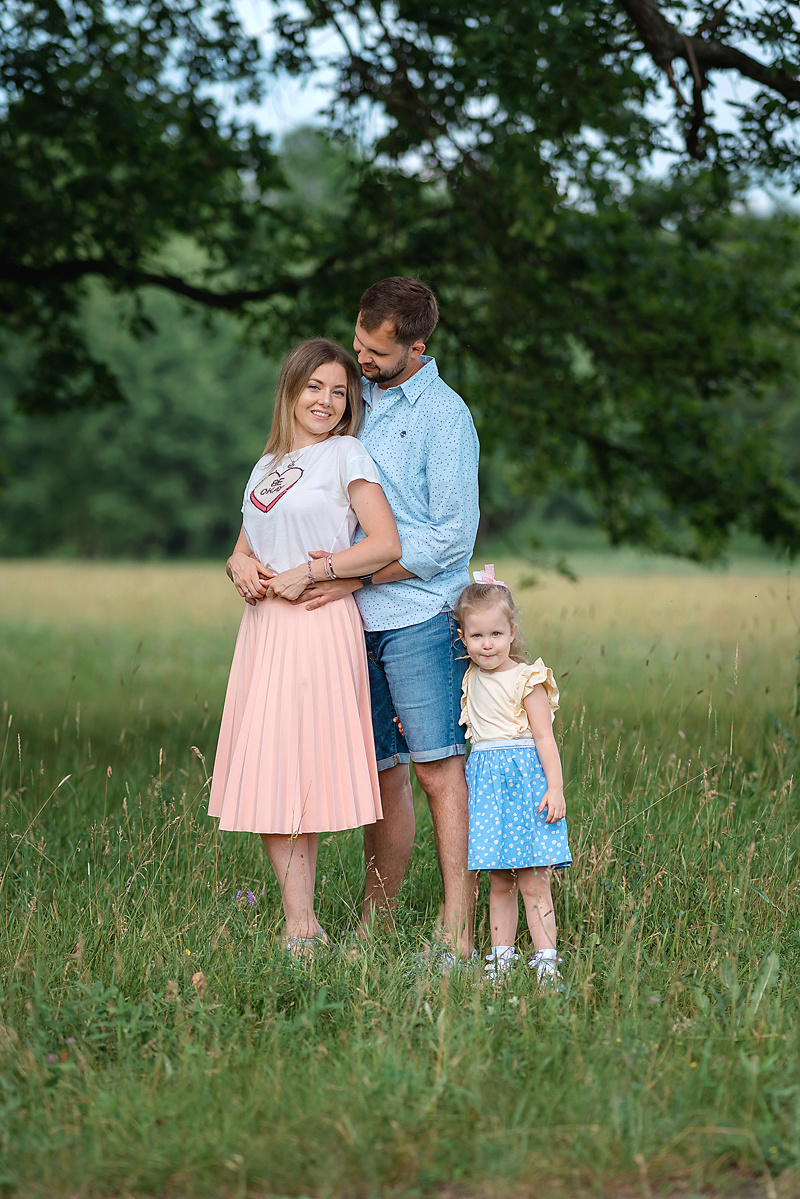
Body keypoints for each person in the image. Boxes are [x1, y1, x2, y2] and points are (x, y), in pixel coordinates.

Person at [301, 278, 480, 961]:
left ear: (417, 346)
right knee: (381, 773)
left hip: (418, 615)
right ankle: (375, 924)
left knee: (438, 767)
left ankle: (456, 930)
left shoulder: (445, 416)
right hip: (350, 618)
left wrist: (357, 570)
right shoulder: (350, 400)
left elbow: (449, 540)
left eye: (375, 352)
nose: (361, 361)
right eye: (356, 345)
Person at [208, 339, 402, 957]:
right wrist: (237, 563)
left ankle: (299, 928)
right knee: (269, 771)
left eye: (338, 391)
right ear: (290, 390)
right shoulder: (268, 463)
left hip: (316, 624)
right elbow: (248, 541)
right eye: (314, 387)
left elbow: (384, 544)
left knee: (295, 771)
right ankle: (303, 923)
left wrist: (315, 574)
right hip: (264, 630)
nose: (325, 400)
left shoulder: (346, 455)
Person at [454, 566, 572, 986]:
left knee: (534, 881)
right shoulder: (469, 679)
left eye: (496, 634)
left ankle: (546, 963)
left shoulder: (527, 679)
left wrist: (555, 789)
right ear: (463, 637)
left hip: (526, 789)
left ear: (512, 631)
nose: (487, 645)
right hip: (488, 791)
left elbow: (545, 740)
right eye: (476, 636)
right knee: (499, 880)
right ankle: (501, 961)